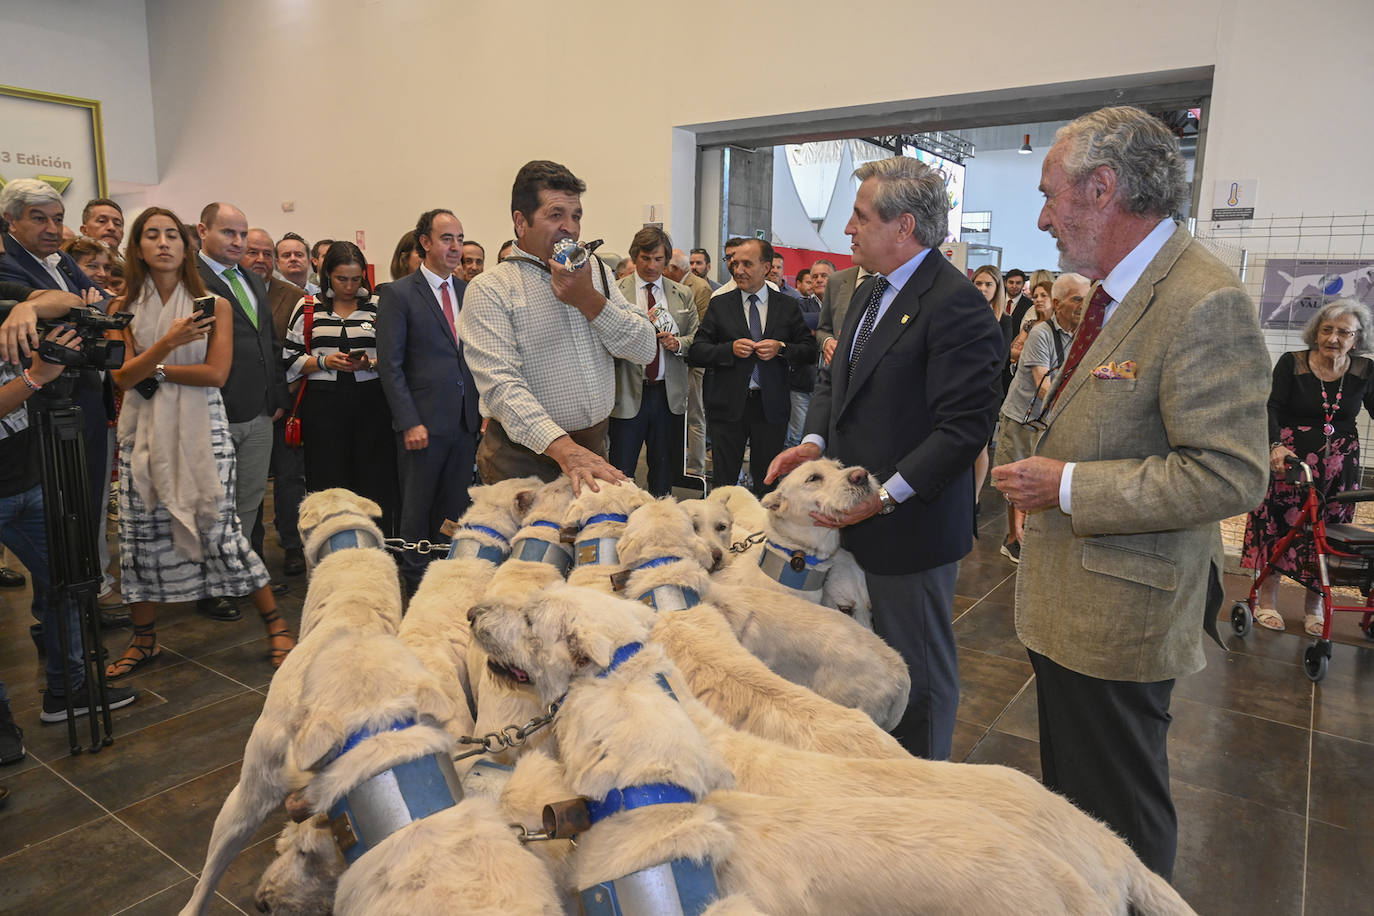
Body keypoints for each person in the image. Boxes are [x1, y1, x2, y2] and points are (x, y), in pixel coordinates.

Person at [991, 106, 1270, 880]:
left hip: (1122, 618)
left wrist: (1070, 483)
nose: (1043, 218)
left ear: (1103, 188)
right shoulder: (1118, 292)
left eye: (1051, 195)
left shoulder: (1200, 299)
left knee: (1120, 821)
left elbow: (1230, 471)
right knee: (1080, 811)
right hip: (1072, 608)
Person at [769, 156, 1003, 761]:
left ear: (903, 226)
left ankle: (924, 786)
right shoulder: (867, 291)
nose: (847, 229)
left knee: (916, 669)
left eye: (860, 216)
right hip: (853, 516)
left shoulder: (956, 305)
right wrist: (814, 445)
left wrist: (886, 495)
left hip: (910, 527)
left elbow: (962, 429)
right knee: (862, 656)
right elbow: (833, 383)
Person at [104, 207, 295, 678]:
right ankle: (145, 640)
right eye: (152, 235)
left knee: (222, 531)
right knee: (138, 537)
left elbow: (215, 374)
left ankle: (277, 627)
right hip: (141, 434)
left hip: (202, 431)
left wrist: (157, 369)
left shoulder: (212, 303)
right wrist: (167, 345)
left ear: (187, 245)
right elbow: (123, 377)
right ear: (139, 247)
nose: (164, 243)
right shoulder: (120, 307)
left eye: (172, 234)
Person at [458, 160, 656, 492]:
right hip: (523, 459)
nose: (571, 227)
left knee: (591, 544)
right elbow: (502, 388)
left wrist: (588, 299)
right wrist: (565, 449)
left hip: (593, 448)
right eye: (556, 215)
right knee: (531, 545)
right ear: (521, 222)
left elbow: (644, 349)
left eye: (576, 215)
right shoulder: (491, 288)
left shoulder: (594, 271)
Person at [0, 283, 141, 725]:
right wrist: (35, 377)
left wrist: (26, 307)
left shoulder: (7, 299)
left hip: (28, 478)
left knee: (67, 584)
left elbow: (73, 301)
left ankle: (69, 690)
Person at [0, 179, 123, 625]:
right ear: (10, 220)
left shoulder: (61, 258)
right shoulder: (8, 265)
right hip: (39, 411)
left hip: (85, 400)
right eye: (39, 218)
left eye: (56, 218)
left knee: (87, 510)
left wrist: (78, 306)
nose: (52, 228)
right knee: (58, 524)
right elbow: (70, 303)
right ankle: (67, 622)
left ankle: (85, 605)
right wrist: (40, 306)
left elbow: (103, 302)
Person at [1243, 299, 1374, 635]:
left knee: (1325, 532)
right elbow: (1269, 407)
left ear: (1357, 340)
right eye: (1327, 330)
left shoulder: (1364, 370)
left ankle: (1315, 606)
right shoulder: (1293, 363)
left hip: (1339, 465)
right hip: (1290, 462)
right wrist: (1275, 446)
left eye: (1344, 332)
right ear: (1315, 333)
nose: (1334, 338)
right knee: (1278, 528)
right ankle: (1266, 600)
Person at [196, 202, 291, 619]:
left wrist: (276, 399)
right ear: (203, 231)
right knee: (213, 504)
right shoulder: (188, 279)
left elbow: (268, 344)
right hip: (211, 410)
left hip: (258, 412)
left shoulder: (253, 281)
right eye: (228, 233)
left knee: (249, 501)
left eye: (242, 233)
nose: (236, 241)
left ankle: (241, 576)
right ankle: (210, 586)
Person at [376, 209, 480, 591]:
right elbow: (391, 365)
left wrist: (481, 411)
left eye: (459, 238)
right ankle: (414, 581)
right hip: (422, 423)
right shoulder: (398, 294)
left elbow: (473, 358)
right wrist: (408, 420)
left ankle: (445, 575)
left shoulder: (469, 292)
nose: (456, 247)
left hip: (465, 422)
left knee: (454, 507)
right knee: (417, 509)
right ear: (425, 242)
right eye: (446, 239)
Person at [285, 241, 399, 533]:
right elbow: (290, 358)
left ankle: (378, 542)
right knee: (327, 480)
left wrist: (370, 364)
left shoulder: (378, 305)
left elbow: (396, 355)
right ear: (327, 276)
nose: (348, 286)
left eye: (355, 279)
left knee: (374, 479)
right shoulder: (308, 307)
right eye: (341, 279)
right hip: (323, 406)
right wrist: (324, 362)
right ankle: (331, 542)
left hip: (372, 404)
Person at [691, 237, 817, 496]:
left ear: (766, 267)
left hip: (771, 407)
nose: (738, 270)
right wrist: (729, 349)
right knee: (725, 485)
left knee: (767, 483)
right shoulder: (720, 304)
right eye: (735, 263)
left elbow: (809, 351)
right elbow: (697, 352)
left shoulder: (787, 306)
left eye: (747, 264)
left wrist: (781, 348)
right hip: (728, 407)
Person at [993, 272, 1087, 563]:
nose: (1083, 306)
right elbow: (1042, 384)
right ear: (1057, 303)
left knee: (1042, 482)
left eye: (1087, 299)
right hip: (1023, 417)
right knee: (1016, 479)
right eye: (1077, 299)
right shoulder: (1041, 334)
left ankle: (1031, 534)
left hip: (1050, 421)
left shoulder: (1083, 334)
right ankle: (1012, 539)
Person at [609, 227, 698, 497]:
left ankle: (662, 525)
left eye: (658, 259)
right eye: (645, 258)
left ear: (667, 260)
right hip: (626, 393)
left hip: (667, 396)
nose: (651, 265)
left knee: (663, 469)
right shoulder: (616, 291)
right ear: (635, 257)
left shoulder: (681, 294)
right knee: (621, 470)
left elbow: (697, 337)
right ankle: (618, 525)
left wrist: (679, 344)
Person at [241, 227, 308, 577]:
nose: (261, 260)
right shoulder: (227, 292)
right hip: (239, 405)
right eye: (254, 252)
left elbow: (294, 355)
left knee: (289, 480)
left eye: (267, 254)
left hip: (286, 405)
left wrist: (283, 399)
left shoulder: (293, 295)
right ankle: (248, 555)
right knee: (246, 487)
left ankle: (293, 545)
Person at [971, 264, 1009, 510]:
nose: (983, 289)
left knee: (980, 446)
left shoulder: (1004, 321)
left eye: (988, 284)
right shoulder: (963, 314)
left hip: (987, 391)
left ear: (997, 289)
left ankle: (973, 499)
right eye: (979, 283)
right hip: (960, 388)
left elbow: (1001, 360)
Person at [813, 261, 866, 371]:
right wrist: (827, 341)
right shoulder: (838, 280)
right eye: (814, 276)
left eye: (824, 276)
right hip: (835, 371)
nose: (819, 280)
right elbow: (823, 329)